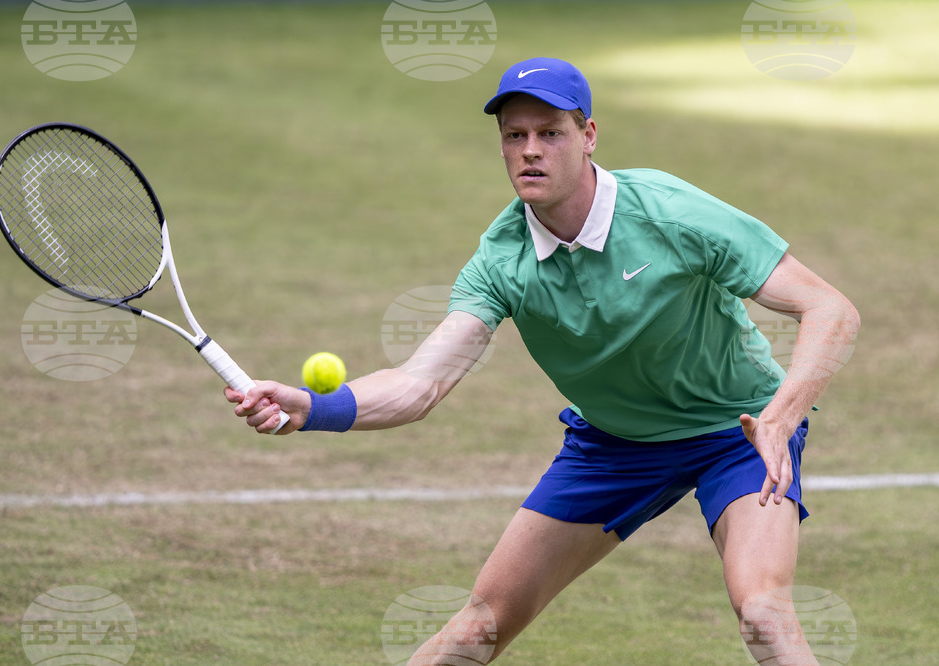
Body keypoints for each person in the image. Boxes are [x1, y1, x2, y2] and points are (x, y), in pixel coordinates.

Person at [225, 57, 860, 664]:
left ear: (588, 136)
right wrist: (314, 408)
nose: (530, 149)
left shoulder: (672, 214)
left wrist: (781, 415)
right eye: (515, 135)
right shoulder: (501, 261)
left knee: (762, 613)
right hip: (615, 445)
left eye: (550, 133)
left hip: (738, 431)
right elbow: (419, 384)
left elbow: (831, 310)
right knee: (482, 624)